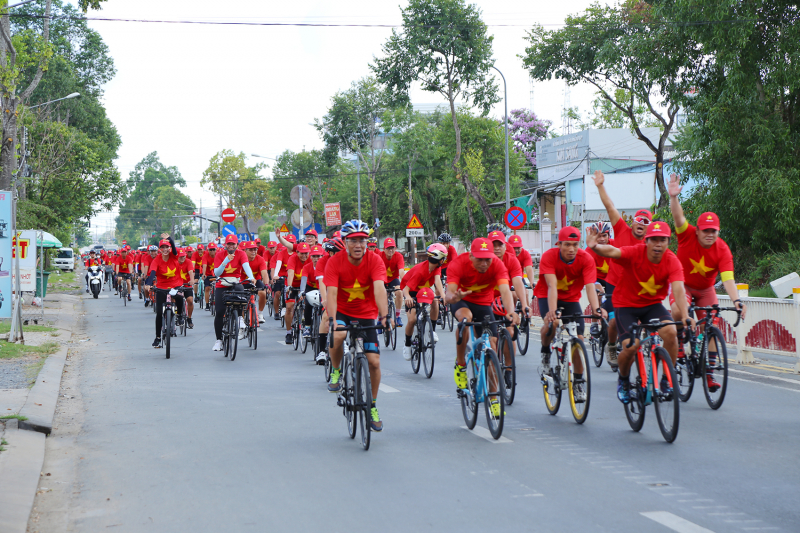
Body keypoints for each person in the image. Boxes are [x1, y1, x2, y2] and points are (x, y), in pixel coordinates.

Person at [586, 221, 692, 404]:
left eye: (663, 240)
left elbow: (678, 290)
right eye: (654, 240)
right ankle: (624, 380)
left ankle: (667, 379)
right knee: (631, 346)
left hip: (652, 305)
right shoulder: (635, 252)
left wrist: (685, 315)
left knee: (671, 333)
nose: (658, 244)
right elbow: (613, 252)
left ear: (668, 242)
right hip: (625, 305)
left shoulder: (671, 260)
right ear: (646, 241)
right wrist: (595, 246)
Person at [668, 173, 747, 390]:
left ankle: (710, 374)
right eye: (706, 231)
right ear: (698, 230)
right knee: (677, 310)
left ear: (718, 232)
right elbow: (678, 218)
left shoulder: (722, 249)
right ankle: (681, 342)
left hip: (705, 289)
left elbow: (728, 279)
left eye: (714, 231)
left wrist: (737, 300)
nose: (710, 235)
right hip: (682, 284)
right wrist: (674, 198)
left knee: (712, 325)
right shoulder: (687, 235)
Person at [324, 220, 389, 431]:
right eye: (353, 240)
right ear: (345, 242)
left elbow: (379, 289)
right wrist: (332, 320)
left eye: (362, 239)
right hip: (342, 309)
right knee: (338, 336)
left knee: (374, 362)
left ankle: (372, 406)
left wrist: (385, 316)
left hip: (367, 313)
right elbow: (331, 294)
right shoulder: (334, 262)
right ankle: (335, 370)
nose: (359, 245)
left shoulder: (375, 260)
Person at [445, 238, 518, 418]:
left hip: (483, 304)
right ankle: (461, 364)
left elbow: (505, 290)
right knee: (466, 319)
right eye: (480, 259)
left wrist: (511, 312)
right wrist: (455, 297)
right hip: (461, 300)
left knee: (491, 348)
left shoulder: (497, 264)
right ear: (470, 256)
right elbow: (448, 296)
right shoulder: (458, 264)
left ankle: (493, 399)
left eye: (488, 259)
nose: (484, 264)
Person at [534, 226, 605, 402]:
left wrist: (596, 310)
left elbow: (590, 287)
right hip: (547, 296)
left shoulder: (586, 259)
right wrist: (552, 312)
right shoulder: (549, 256)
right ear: (559, 244)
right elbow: (551, 285)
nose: (571, 249)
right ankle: (545, 354)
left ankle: (579, 382)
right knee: (553, 324)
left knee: (579, 339)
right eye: (567, 245)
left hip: (571, 299)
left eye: (575, 244)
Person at [592, 169, 650, 370]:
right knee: (614, 320)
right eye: (639, 220)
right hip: (615, 284)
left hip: (638, 286)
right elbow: (609, 206)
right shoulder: (622, 229)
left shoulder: (652, 243)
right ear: (633, 221)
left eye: (646, 222)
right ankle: (610, 345)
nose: (641, 224)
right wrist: (600, 186)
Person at [488, 230, 531, 387]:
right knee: (490, 337)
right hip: (487, 299)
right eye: (494, 245)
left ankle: (508, 370)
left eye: (500, 244)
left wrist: (525, 304)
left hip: (504, 300)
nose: (497, 248)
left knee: (510, 332)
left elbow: (518, 282)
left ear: (505, 246)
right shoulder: (484, 260)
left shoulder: (511, 260)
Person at [400, 243, 447, 360]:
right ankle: (407, 345)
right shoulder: (420, 271)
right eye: (443, 258)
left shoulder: (436, 267)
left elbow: (437, 281)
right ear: (439, 259)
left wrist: (443, 296)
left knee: (435, 302)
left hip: (423, 290)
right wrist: (408, 298)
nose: (444, 260)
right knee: (412, 320)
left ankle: (432, 332)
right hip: (411, 291)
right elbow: (405, 290)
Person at [211, 235, 256, 352]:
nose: (231, 246)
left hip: (235, 282)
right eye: (229, 244)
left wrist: (251, 277)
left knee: (241, 289)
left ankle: (240, 317)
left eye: (233, 244)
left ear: (237, 245)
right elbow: (217, 273)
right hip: (222, 284)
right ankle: (219, 340)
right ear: (225, 245)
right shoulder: (219, 255)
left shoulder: (241, 254)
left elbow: (246, 266)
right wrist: (226, 260)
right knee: (220, 312)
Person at [144, 235, 185, 348]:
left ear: (169, 248)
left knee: (180, 297)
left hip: (175, 285)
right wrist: (148, 284)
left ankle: (180, 316)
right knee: (158, 314)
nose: (165, 249)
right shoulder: (156, 260)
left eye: (167, 247)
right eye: (162, 247)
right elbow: (152, 272)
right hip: (161, 287)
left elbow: (176, 250)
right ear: (160, 249)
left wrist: (170, 239)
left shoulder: (174, 256)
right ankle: (157, 337)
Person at [315, 238, 345, 364]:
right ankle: (321, 351)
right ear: (331, 253)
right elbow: (322, 282)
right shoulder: (323, 262)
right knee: (326, 317)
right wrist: (325, 299)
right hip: (328, 291)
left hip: (343, 292)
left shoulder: (345, 260)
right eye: (338, 252)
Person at [283, 242, 311, 344]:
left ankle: (308, 325)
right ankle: (289, 332)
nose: (304, 256)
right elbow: (290, 273)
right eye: (301, 253)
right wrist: (289, 286)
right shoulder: (293, 258)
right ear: (297, 252)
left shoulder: (311, 258)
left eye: (306, 253)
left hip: (305, 285)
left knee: (310, 303)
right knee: (289, 307)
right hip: (293, 284)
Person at [299, 244, 324, 340]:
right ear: (311, 256)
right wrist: (302, 291)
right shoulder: (307, 267)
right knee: (308, 304)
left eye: (318, 256)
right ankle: (307, 327)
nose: (316, 258)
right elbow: (304, 280)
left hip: (321, 287)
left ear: (322, 256)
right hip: (310, 287)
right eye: (314, 256)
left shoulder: (325, 266)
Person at [379, 237, 405, 326]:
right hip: (382, 279)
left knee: (399, 292)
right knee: (380, 296)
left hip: (393, 279)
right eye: (388, 248)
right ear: (384, 249)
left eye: (392, 248)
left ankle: (397, 317)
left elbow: (401, 271)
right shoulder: (379, 256)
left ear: (395, 248)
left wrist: (405, 284)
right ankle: (380, 319)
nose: (390, 250)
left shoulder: (399, 256)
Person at [243, 241, 270, 323]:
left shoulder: (260, 259)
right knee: (240, 300)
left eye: (255, 249)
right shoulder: (242, 258)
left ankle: (260, 313)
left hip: (256, 281)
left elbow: (264, 274)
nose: (253, 252)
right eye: (250, 250)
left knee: (263, 293)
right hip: (242, 281)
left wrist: (266, 285)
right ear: (245, 250)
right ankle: (241, 320)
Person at [270, 237, 295, 320]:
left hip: (292, 276)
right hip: (281, 276)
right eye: (289, 242)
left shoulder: (296, 253)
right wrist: (275, 275)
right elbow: (278, 264)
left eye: (292, 242)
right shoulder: (281, 253)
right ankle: (277, 312)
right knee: (277, 293)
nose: (291, 244)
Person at [175, 248, 195, 328]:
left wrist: (192, 280)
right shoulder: (174, 262)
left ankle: (189, 318)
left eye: (183, 256)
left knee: (190, 300)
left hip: (187, 284)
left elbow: (190, 271)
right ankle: (176, 314)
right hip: (176, 284)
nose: (182, 258)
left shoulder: (188, 262)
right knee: (174, 299)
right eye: (180, 256)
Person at [200, 244, 218, 309]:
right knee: (207, 288)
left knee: (219, 288)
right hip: (208, 274)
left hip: (217, 274)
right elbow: (204, 266)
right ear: (208, 250)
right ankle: (207, 304)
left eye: (214, 249)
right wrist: (204, 274)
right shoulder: (205, 256)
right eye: (210, 249)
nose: (212, 251)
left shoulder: (218, 255)